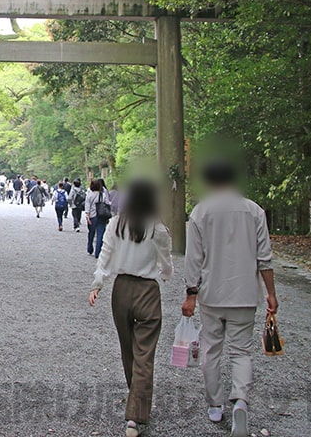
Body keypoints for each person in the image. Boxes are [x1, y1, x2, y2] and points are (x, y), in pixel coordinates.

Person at [181, 160, 277, 437]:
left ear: (209, 181)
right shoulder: (254, 211)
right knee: (241, 351)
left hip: (212, 294)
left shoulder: (200, 213)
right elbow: (264, 258)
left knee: (211, 349)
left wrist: (191, 292)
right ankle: (241, 402)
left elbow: (193, 259)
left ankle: (214, 405)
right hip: (246, 293)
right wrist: (271, 293)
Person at [89, 180, 172, 437]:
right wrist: (165, 274)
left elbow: (105, 255)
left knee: (128, 349)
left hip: (121, 289)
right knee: (144, 353)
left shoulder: (116, 224)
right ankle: (135, 414)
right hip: (147, 290)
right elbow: (166, 262)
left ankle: (135, 404)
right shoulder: (156, 227)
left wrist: (97, 284)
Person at [86, 179, 112, 257]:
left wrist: (87, 217)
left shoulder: (89, 195)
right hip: (101, 216)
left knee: (91, 233)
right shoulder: (103, 195)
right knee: (100, 235)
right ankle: (98, 252)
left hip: (92, 216)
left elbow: (87, 207)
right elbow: (107, 204)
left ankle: (90, 247)